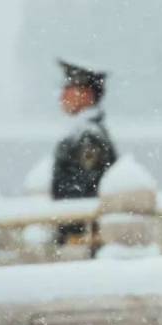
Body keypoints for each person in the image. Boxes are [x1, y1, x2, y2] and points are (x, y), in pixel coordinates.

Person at [51, 58, 117, 248]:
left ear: (86, 94)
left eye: (69, 88)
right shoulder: (81, 132)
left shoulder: (88, 136)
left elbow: (85, 188)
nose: (62, 95)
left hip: (83, 238)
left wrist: (73, 235)